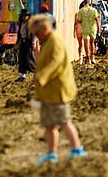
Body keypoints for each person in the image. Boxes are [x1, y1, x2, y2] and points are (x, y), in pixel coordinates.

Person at [29, 14, 86, 164]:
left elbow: (55, 62)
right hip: (47, 92)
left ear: (45, 29)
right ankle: (51, 153)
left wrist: (42, 77)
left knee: (64, 121)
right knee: (49, 124)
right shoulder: (47, 41)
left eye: (37, 33)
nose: (36, 37)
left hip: (58, 90)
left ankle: (76, 149)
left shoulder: (55, 41)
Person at [77, 0, 100, 64]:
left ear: (83, 3)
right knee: (92, 43)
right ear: (89, 3)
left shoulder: (81, 11)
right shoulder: (94, 10)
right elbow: (97, 20)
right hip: (92, 29)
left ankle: (88, 58)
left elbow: (79, 20)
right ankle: (92, 57)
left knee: (86, 44)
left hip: (85, 29)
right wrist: (99, 28)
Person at [17, 9, 36, 82]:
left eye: (26, 16)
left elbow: (34, 34)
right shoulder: (22, 23)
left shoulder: (31, 24)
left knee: (29, 59)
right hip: (23, 42)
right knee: (21, 58)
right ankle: (22, 75)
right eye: (23, 16)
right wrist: (18, 42)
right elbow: (20, 33)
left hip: (29, 42)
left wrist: (33, 43)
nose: (25, 17)